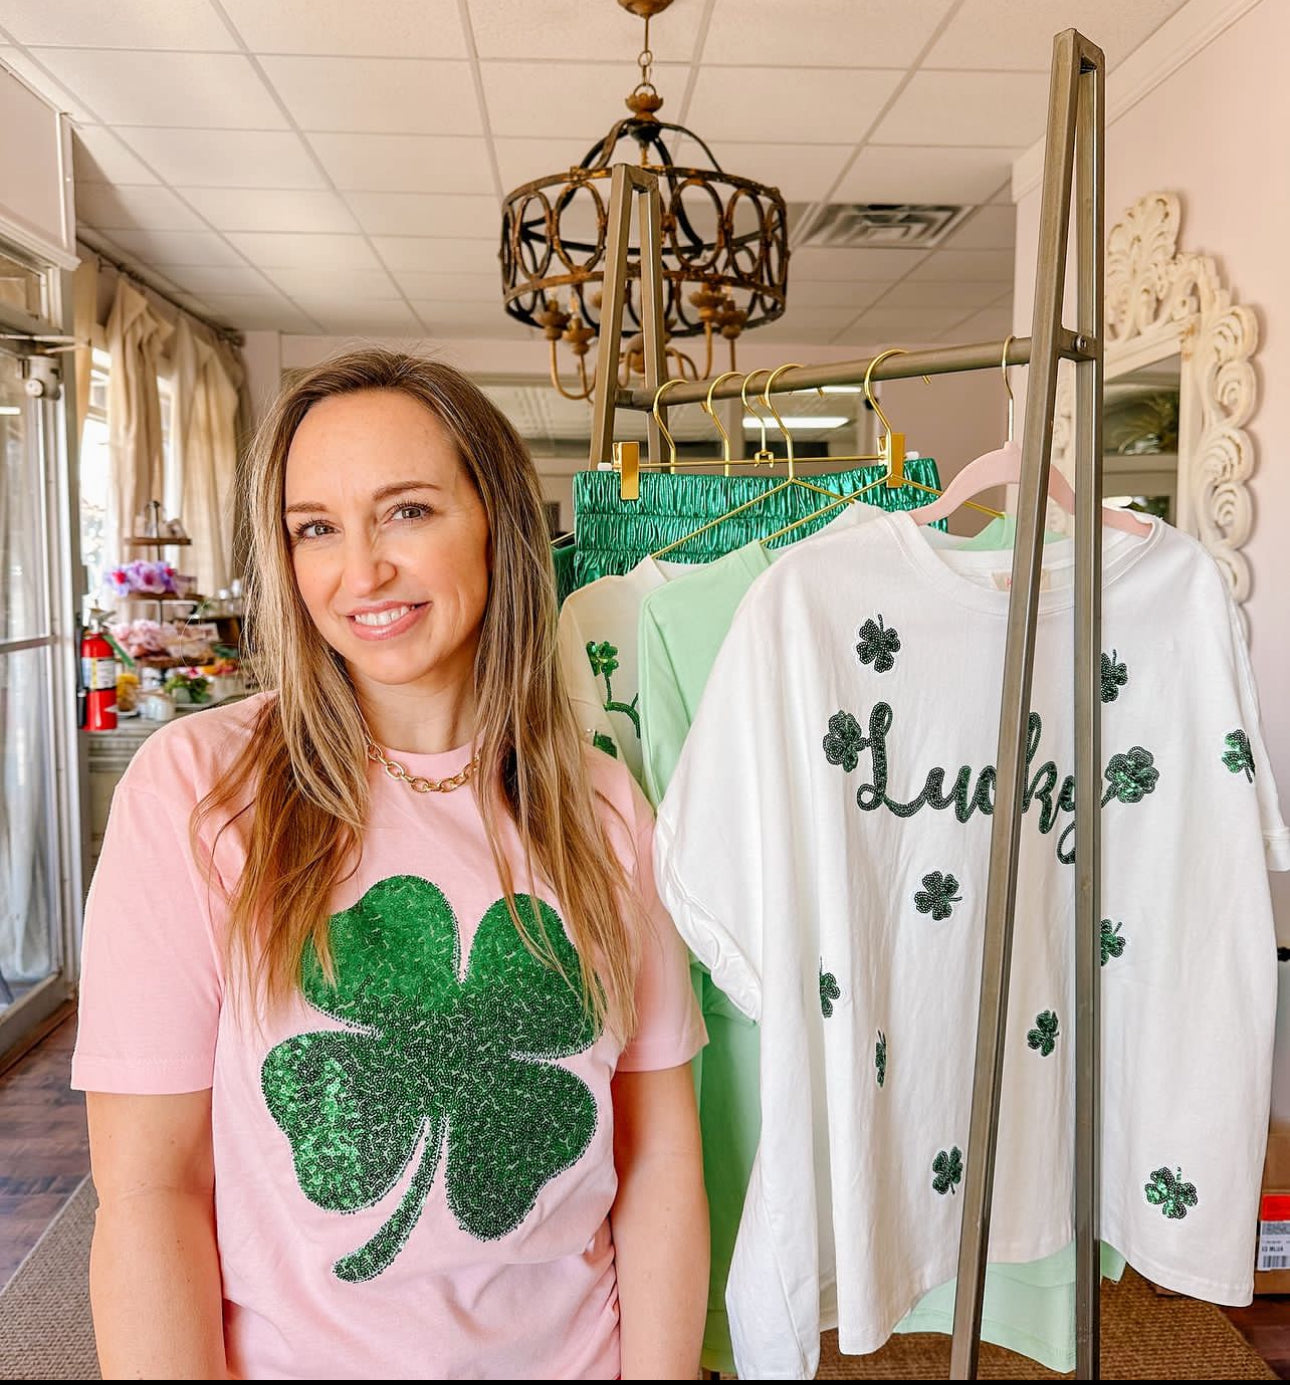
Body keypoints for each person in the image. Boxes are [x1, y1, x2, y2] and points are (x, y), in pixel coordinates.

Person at [72, 349, 709, 1380]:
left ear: (496, 522)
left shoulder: (601, 807)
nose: (358, 571)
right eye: (314, 526)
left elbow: (660, 1154)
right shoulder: (197, 790)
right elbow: (153, 1189)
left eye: (406, 512)